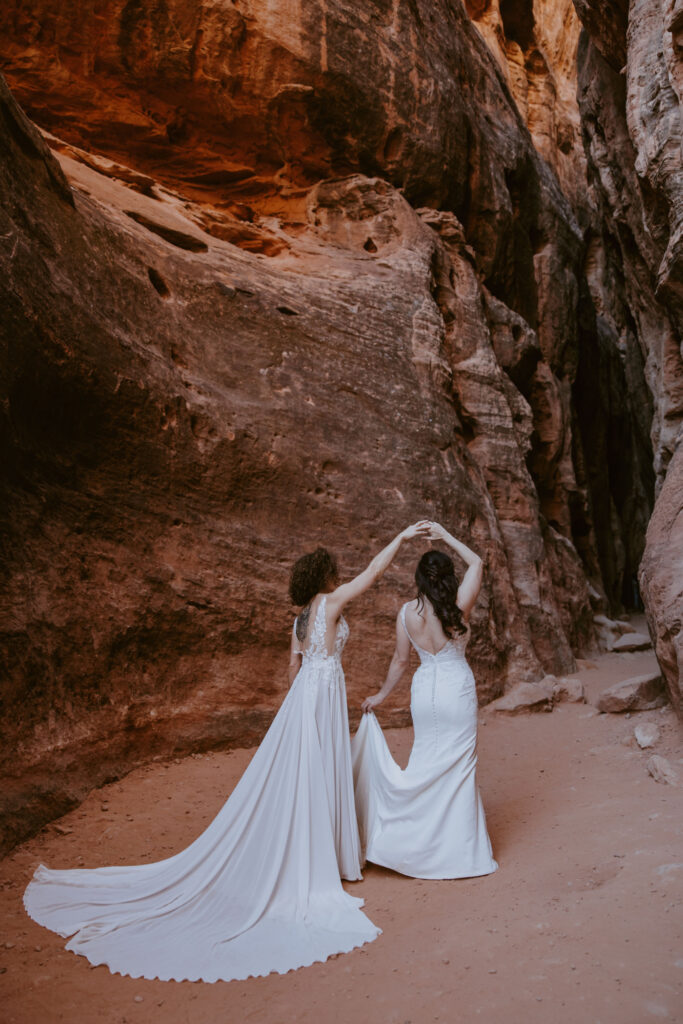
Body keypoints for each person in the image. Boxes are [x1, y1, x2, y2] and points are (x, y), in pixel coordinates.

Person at [23, 521, 431, 983]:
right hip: (324, 692)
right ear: (325, 576)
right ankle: (323, 862)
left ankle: (311, 850)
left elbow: (291, 672)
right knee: (320, 770)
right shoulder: (332, 602)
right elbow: (373, 574)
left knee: (303, 773)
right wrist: (400, 539)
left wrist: (297, 715)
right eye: (334, 570)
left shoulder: (298, 620)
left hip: (305, 698)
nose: (339, 576)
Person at [352, 521, 498, 880]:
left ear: (419, 578)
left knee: (424, 764)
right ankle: (458, 853)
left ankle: (409, 845)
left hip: (424, 692)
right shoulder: (458, 605)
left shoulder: (406, 613)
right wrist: (446, 536)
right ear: (447, 577)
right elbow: (477, 563)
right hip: (456, 689)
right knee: (459, 768)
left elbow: (401, 660)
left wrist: (381, 696)